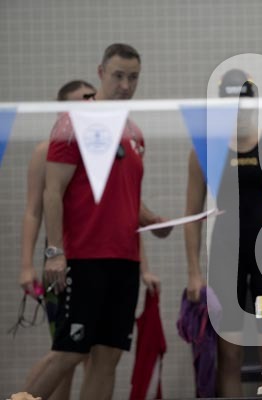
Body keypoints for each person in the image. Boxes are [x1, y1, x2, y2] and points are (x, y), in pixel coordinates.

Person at [23, 43, 167, 400]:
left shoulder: (134, 132)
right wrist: (55, 252)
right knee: (68, 351)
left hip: (125, 260)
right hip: (84, 258)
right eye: (118, 76)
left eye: (133, 78)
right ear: (101, 73)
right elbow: (52, 192)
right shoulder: (73, 123)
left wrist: (153, 220)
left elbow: (125, 198)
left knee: (108, 357)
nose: (125, 85)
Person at [184, 69, 262, 397]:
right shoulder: (205, 151)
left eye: (245, 103)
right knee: (229, 354)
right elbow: (192, 217)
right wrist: (194, 272)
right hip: (225, 254)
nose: (239, 111)